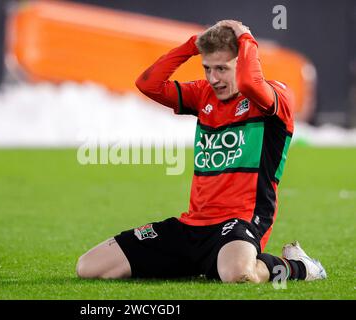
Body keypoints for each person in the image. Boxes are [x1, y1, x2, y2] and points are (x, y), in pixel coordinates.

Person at [76, 20, 326, 283]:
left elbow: (251, 84)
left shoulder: (277, 97)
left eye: (222, 69)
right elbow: (148, 84)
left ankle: (298, 266)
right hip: (192, 225)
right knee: (90, 267)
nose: (213, 78)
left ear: (243, 64)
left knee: (238, 273)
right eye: (207, 68)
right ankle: (199, 262)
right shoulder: (204, 95)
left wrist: (246, 39)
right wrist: (190, 46)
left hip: (240, 222)